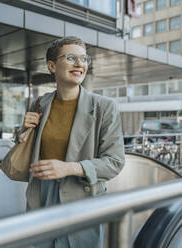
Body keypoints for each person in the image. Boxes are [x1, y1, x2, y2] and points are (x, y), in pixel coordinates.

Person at [19, 36, 125, 247]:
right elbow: (28, 149)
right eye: (71, 58)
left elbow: (115, 162)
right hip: (41, 195)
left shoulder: (104, 107)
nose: (80, 64)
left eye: (84, 59)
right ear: (52, 66)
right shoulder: (40, 103)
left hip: (82, 197)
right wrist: (23, 133)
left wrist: (69, 168)